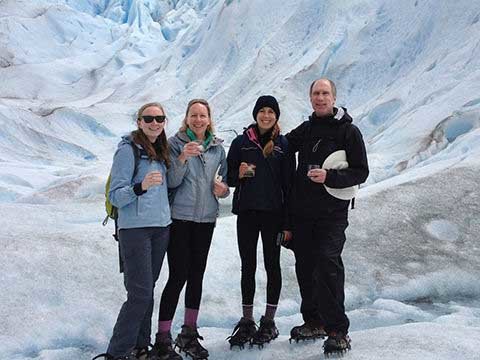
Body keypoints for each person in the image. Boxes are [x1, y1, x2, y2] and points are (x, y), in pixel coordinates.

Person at [285, 79, 369, 355]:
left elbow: (361, 172)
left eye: (325, 93)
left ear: (334, 97)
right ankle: (314, 321)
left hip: (333, 213)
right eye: (316, 94)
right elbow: (282, 145)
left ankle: (337, 330)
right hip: (303, 213)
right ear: (310, 98)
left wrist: (329, 176)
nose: (320, 98)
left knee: (327, 262)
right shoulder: (307, 129)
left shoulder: (348, 131)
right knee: (305, 265)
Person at [151, 99, 229, 360]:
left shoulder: (217, 148)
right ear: (186, 118)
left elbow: (224, 182)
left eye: (202, 116)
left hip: (205, 220)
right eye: (193, 115)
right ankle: (162, 338)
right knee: (178, 275)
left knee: (197, 275)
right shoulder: (174, 144)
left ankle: (188, 333)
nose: (198, 120)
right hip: (180, 218)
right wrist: (183, 156)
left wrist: (224, 190)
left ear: (209, 119)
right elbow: (171, 182)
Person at [93, 103, 172, 360]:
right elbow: (116, 196)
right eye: (148, 118)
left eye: (159, 118)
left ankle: (140, 347)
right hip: (135, 230)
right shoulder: (127, 151)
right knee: (139, 293)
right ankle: (117, 353)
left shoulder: (162, 150)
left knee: (147, 290)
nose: (155, 123)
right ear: (139, 121)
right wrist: (140, 186)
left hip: (160, 228)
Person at [225, 95, 295, 349]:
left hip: (274, 215)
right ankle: (247, 320)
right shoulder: (240, 143)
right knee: (248, 266)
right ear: (255, 114)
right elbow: (228, 177)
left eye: (271, 112)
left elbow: (289, 186)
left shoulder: (283, 145)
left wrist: (288, 224)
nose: (266, 115)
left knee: (272, 265)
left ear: (276, 116)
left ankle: (269, 321)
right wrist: (238, 174)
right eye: (262, 111)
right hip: (247, 213)